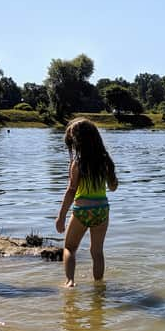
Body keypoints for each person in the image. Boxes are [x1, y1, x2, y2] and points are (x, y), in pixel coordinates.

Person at [55, 118, 118, 287]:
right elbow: (113, 187)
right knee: (97, 251)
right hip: (102, 210)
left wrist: (61, 217)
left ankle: (70, 282)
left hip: (82, 210)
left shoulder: (78, 163)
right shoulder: (106, 161)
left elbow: (71, 191)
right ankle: (99, 286)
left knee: (69, 248)